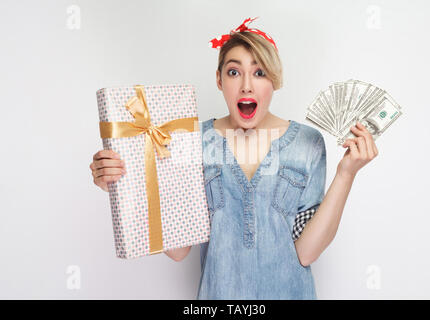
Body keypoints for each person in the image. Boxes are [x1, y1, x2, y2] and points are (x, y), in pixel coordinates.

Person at [89, 17, 378, 299]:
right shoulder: (191, 141)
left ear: (274, 81)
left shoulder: (307, 143)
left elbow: (307, 252)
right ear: (219, 80)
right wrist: (123, 182)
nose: (247, 86)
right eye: (234, 72)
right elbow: (178, 251)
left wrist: (346, 174)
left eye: (260, 72)